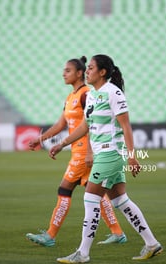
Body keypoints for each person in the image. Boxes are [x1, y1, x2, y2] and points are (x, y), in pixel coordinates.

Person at [49, 54, 163, 263]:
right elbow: (85, 126)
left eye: (91, 68)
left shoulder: (114, 93)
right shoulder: (92, 95)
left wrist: (132, 156)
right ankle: (152, 243)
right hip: (104, 154)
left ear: (102, 72)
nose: (88, 71)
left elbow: (126, 126)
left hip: (111, 154)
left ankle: (82, 253)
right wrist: (62, 144)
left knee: (90, 198)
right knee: (121, 200)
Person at [26, 56, 127, 247]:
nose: (64, 74)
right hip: (77, 152)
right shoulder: (71, 96)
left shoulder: (86, 94)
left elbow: (91, 123)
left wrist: (89, 151)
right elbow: (60, 124)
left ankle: (50, 235)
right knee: (97, 194)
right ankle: (117, 232)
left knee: (64, 189)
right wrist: (41, 139)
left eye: (68, 71)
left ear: (79, 73)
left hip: (84, 153)